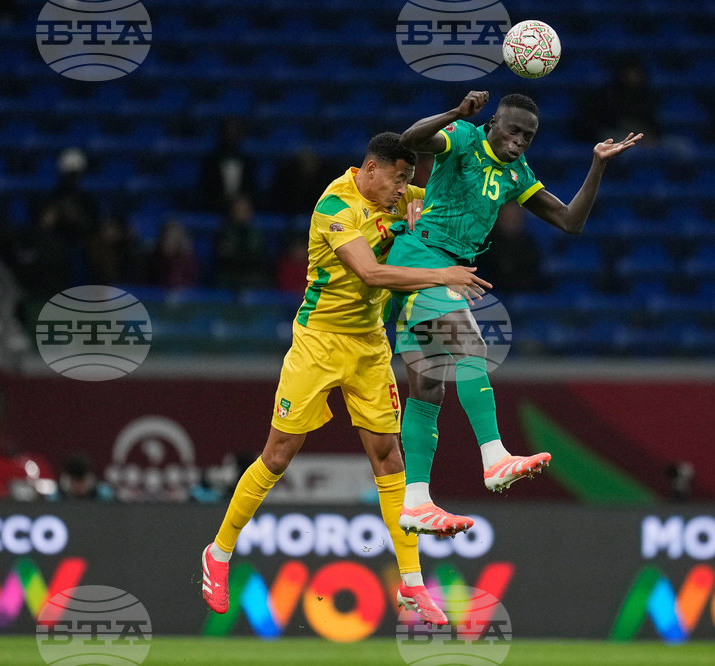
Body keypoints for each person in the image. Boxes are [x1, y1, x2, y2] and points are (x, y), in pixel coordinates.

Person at [200, 133, 490, 627]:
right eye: (398, 179)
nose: (404, 190)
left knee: (388, 455)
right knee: (278, 454)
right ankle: (220, 552)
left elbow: (453, 200)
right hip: (318, 341)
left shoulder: (405, 195)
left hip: (369, 345)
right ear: (371, 169)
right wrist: (443, 274)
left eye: (409, 180)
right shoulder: (336, 204)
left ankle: (413, 583)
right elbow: (371, 272)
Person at [389, 91, 642, 536]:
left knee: (428, 388)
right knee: (471, 344)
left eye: (529, 135)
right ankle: (494, 457)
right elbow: (410, 140)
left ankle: (415, 501)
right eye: (513, 130)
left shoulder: (516, 173)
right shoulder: (465, 137)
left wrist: (597, 164)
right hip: (423, 256)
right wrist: (455, 112)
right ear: (494, 125)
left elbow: (570, 222)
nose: (520, 140)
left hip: (448, 268)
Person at [475, 202, 544, 293]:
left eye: (515, 217)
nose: (511, 220)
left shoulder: (529, 244)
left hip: (525, 292)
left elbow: (534, 274)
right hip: (492, 293)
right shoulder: (484, 245)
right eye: (507, 216)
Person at [199, 118, 258, 213]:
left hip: (242, 210)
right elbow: (206, 190)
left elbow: (252, 190)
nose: (231, 135)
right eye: (228, 131)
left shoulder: (248, 162)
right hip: (215, 209)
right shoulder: (210, 162)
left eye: (235, 131)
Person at [214, 194, 268, 290]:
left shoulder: (257, 234)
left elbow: (260, 258)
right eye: (238, 209)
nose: (241, 213)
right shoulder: (224, 233)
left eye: (245, 210)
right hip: (230, 277)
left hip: (252, 276)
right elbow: (223, 258)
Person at [149, 220, 198, 288]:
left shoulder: (187, 261)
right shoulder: (154, 258)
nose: (166, 243)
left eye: (171, 239)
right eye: (164, 238)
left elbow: (184, 285)